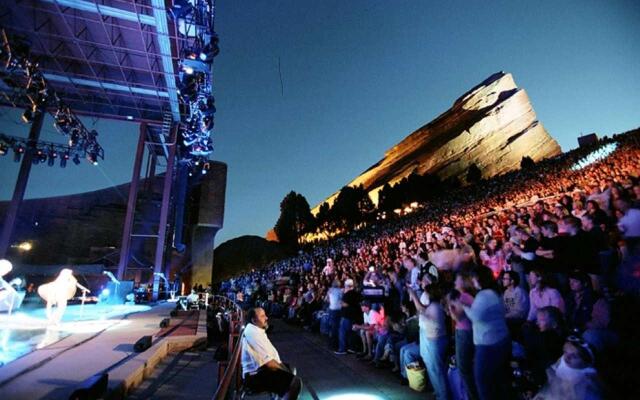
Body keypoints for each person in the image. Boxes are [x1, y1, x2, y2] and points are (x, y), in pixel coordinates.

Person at [458, 266, 511, 400]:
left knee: (483, 382)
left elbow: (475, 316)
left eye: (473, 278)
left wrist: (463, 305)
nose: (472, 281)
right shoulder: (495, 292)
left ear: (479, 278)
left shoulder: (484, 294)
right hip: (502, 339)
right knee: (499, 382)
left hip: (488, 345)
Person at [241, 307, 302, 400]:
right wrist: (286, 373)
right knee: (295, 382)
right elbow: (268, 364)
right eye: (262, 316)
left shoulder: (256, 329)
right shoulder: (253, 333)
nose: (266, 318)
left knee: (291, 369)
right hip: (254, 376)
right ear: (254, 320)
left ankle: (280, 396)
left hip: (261, 370)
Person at [408, 278, 450, 400]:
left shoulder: (436, 306)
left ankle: (443, 396)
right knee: (432, 367)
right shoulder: (433, 305)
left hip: (435, 342)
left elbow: (421, 309)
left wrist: (413, 294)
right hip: (432, 340)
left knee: (436, 369)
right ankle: (439, 392)